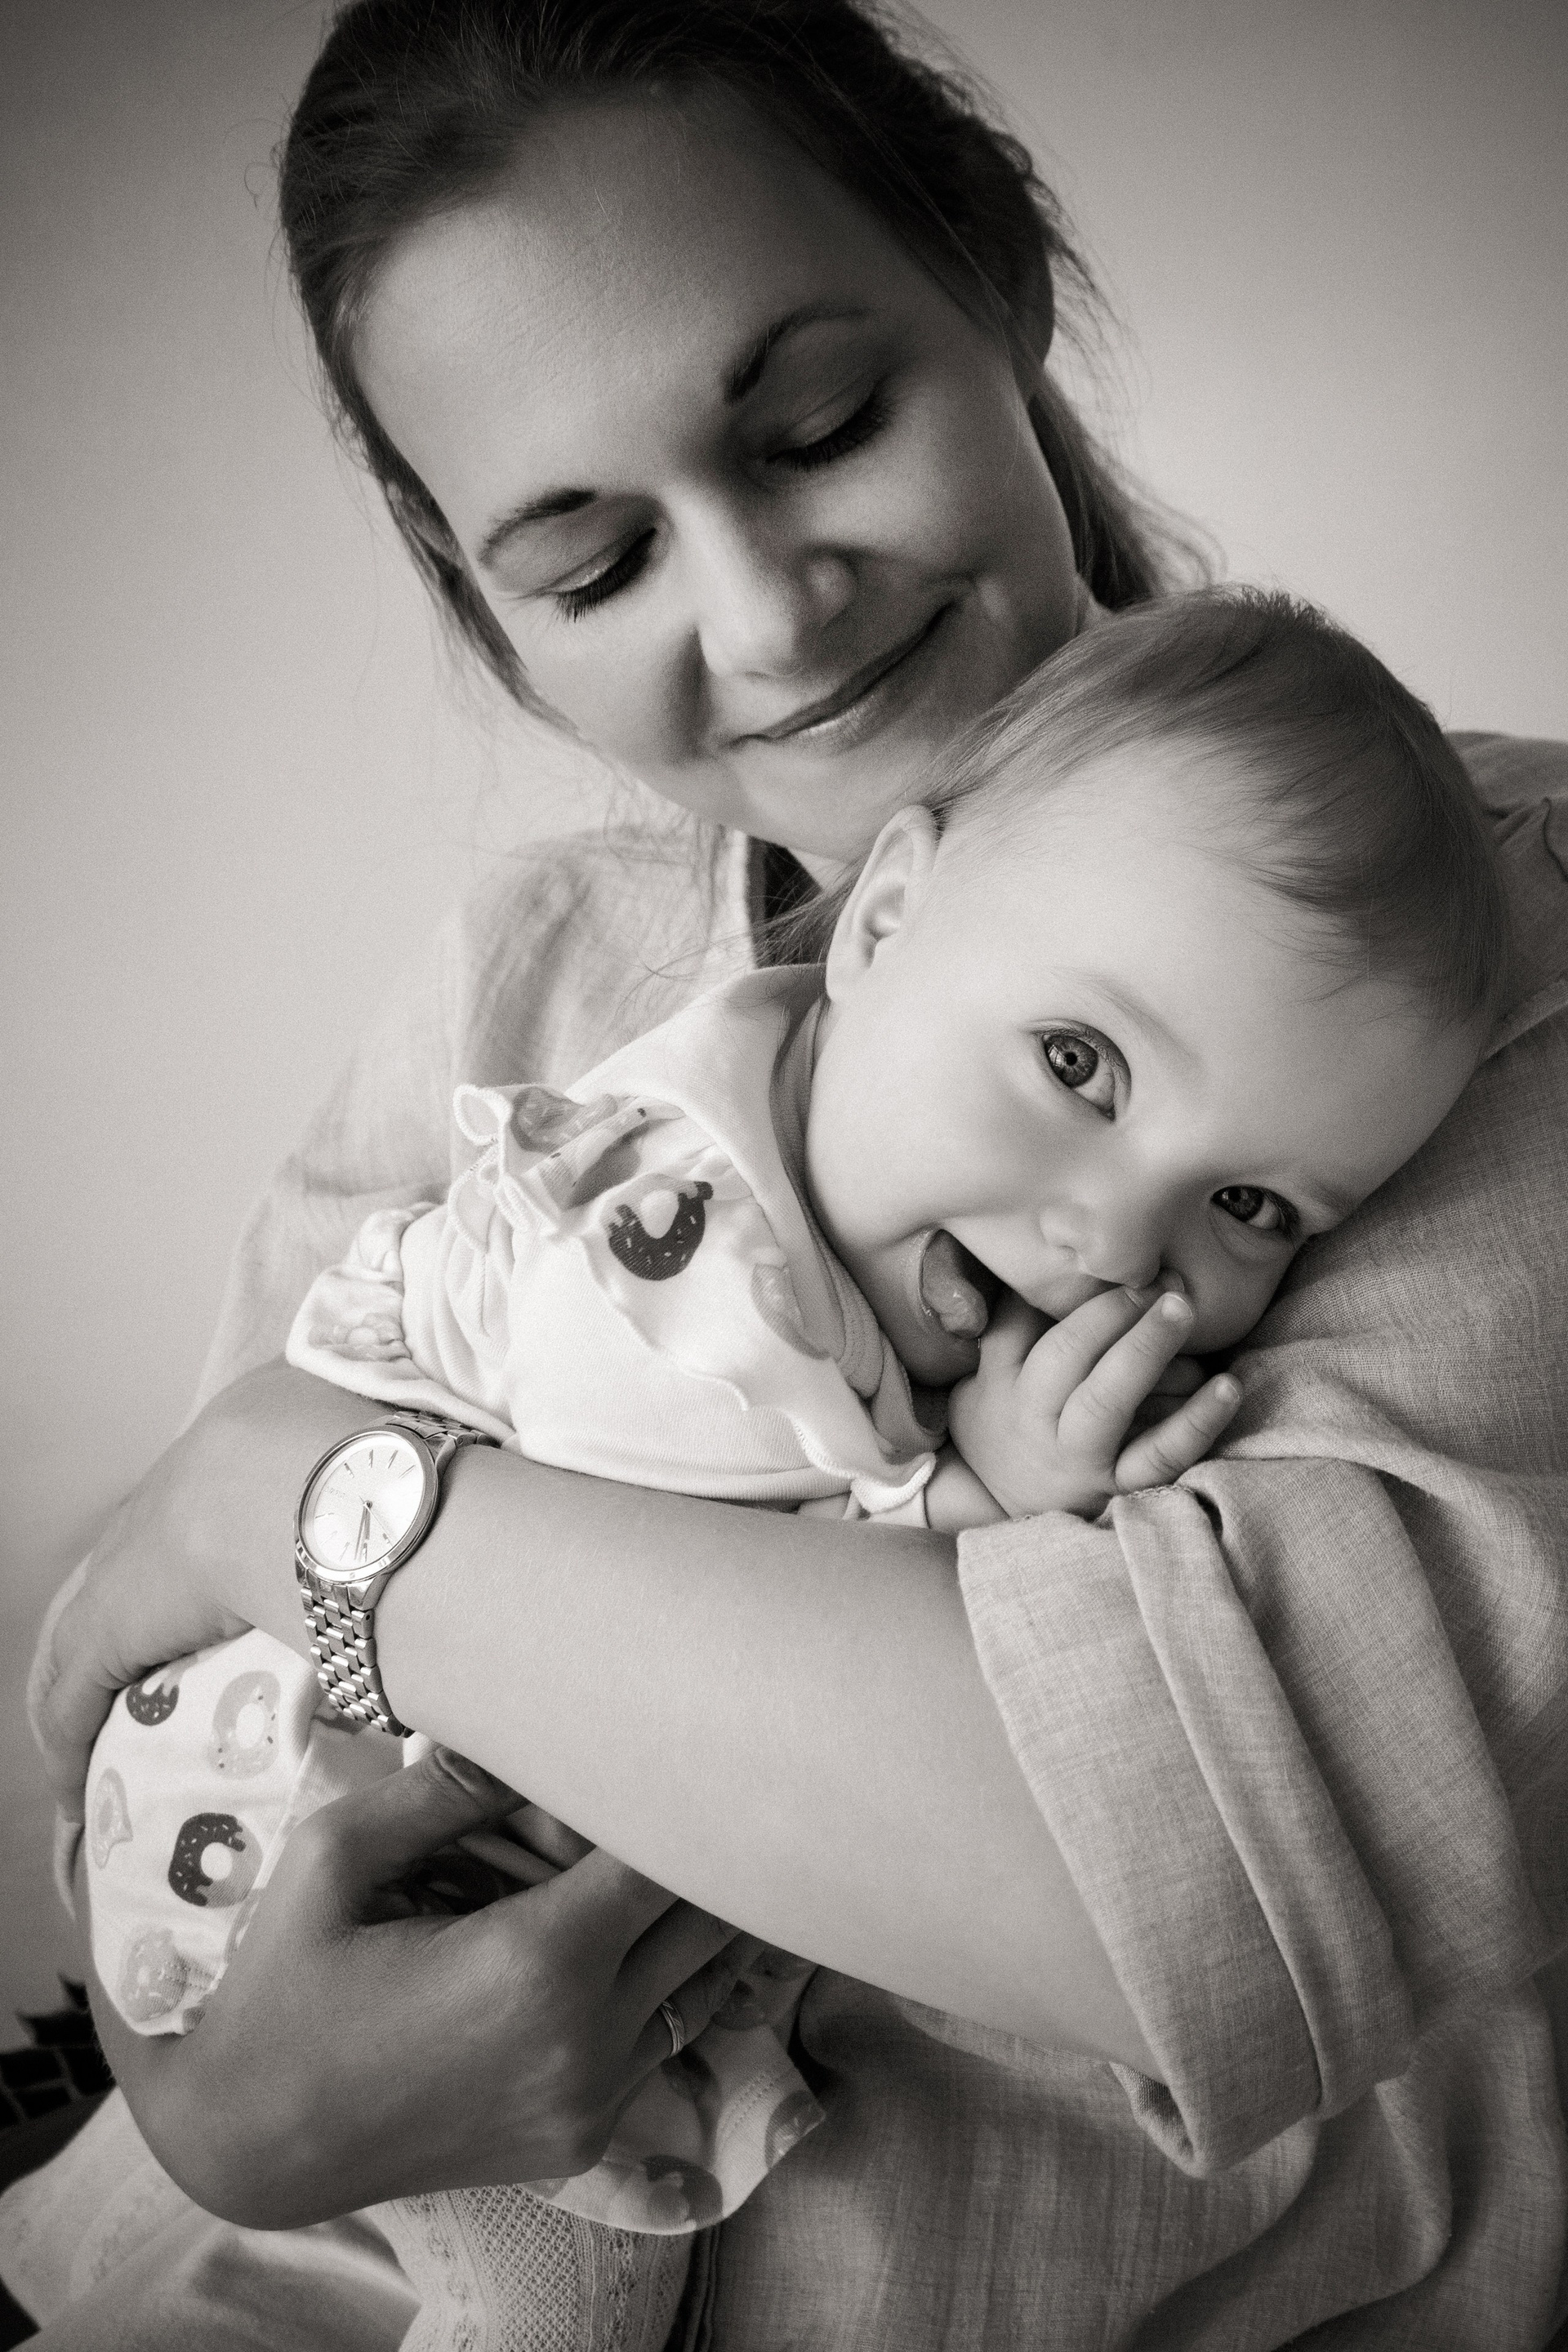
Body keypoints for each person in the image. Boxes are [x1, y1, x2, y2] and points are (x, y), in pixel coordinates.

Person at [10, 2, 1568, 2348]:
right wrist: (216, 2090)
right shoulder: (533, 969)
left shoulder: (1484, 962)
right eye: (589, 558)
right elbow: (134, 1706)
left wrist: (289, 1492)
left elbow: (1175, 1869)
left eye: (825, 425)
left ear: (996, 278)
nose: (762, 613)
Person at [69, 586, 1500, 2344]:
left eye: (1253, 1206)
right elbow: (658, 1560)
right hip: (319, 1881)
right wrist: (967, 1496)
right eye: (1079, 1066)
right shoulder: (675, 1222)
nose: (1116, 1241)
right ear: (884, 919)